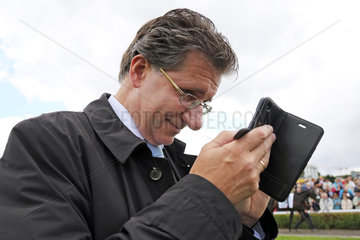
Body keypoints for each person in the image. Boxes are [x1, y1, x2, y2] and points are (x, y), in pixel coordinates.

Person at [0, 8, 278, 240]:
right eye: (187, 95)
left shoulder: (185, 167)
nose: (196, 122)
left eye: (203, 104)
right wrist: (203, 197)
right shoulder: (46, 142)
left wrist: (243, 220)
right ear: (139, 71)